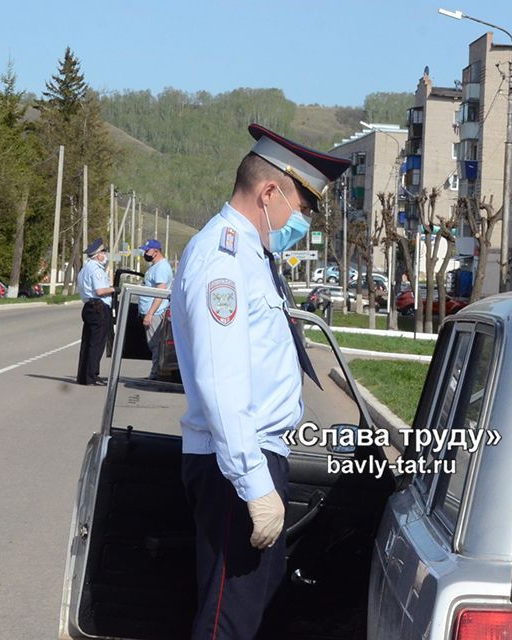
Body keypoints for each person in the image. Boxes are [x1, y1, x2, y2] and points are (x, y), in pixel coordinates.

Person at [171, 123, 350, 640]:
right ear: (270, 193)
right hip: (236, 466)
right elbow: (221, 384)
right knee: (227, 620)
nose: (305, 220)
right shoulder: (222, 261)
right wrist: (253, 484)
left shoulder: (253, 256)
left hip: (254, 456)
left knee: (251, 612)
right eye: (304, 206)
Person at [76, 238, 116, 386]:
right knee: (97, 343)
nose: (105, 254)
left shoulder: (85, 269)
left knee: (87, 342)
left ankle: (84, 376)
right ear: (97, 254)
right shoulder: (96, 270)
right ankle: (91, 376)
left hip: (89, 307)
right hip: (98, 307)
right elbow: (100, 291)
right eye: (103, 251)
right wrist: (114, 289)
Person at [137, 238, 173, 379]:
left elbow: (160, 293)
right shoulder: (155, 266)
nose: (145, 253)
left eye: (147, 251)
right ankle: (156, 372)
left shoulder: (162, 268)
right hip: (150, 312)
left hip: (156, 313)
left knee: (155, 345)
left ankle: (156, 375)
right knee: (153, 345)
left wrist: (150, 313)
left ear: (156, 251)